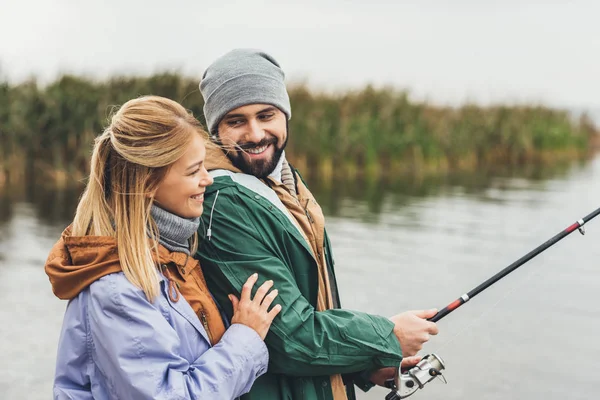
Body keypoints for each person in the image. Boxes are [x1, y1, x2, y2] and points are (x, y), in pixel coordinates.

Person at [196, 49, 440, 400]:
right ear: (216, 129)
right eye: (236, 121)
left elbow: (311, 306)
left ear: (285, 114)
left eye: (266, 115)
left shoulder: (283, 181)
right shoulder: (224, 204)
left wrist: (366, 364)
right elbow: (287, 337)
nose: (255, 133)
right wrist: (386, 336)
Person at [44, 95, 282, 399]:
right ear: (147, 183)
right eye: (194, 171)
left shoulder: (173, 255)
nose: (207, 180)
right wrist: (245, 338)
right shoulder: (116, 292)